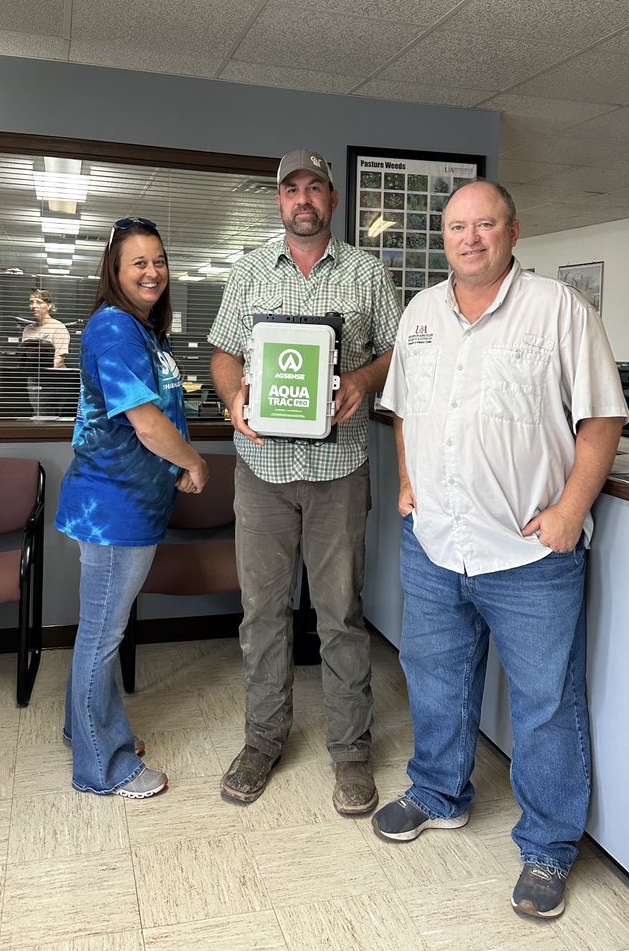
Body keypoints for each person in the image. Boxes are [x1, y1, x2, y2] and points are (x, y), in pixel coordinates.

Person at [373, 179, 629, 918]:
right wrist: (410, 481)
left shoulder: (560, 311)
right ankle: (438, 792)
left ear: (513, 231)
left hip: (529, 558)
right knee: (434, 680)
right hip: (434, 546)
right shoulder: (421, 314)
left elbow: (602, 420)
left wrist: (568, 512)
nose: (471, 237)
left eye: (485, 224)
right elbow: (404, 410)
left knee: (546, 704)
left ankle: (548, 848)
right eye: (457, 226)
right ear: (443, 236)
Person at [209, 149, 401, 816]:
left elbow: (391, 354)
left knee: (341, 617)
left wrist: (360, 382)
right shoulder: (250, 271)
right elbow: (224, 355)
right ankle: (263, 740)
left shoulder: (368, 274)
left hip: (338, 469)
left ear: (332, 199)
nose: (302, 200)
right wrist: (234, 398)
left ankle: (350, 751)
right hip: (261, 472)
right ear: (279, 202)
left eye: (314, 188)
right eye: (290, 189)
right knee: (262, 614)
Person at [55, 217, 210, 798]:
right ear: (115, 272)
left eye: (158, 261)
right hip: (111, 508)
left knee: (98, 630)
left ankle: (84, 728)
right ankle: (106, 765)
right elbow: (146, 424)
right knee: (102, 635)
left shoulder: (144, 331)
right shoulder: (115, 329)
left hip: (132, 504)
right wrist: (193, 463)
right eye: (137, 263)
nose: (152, 272)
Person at [21, 289, 70, 367]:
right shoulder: (28, 329)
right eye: (31, 302)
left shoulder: (58, 328)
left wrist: (42, 375)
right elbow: (24, 357)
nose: (33, 306)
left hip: (51, 376)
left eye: (39, 302)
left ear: (49, 306)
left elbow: (59, 360)